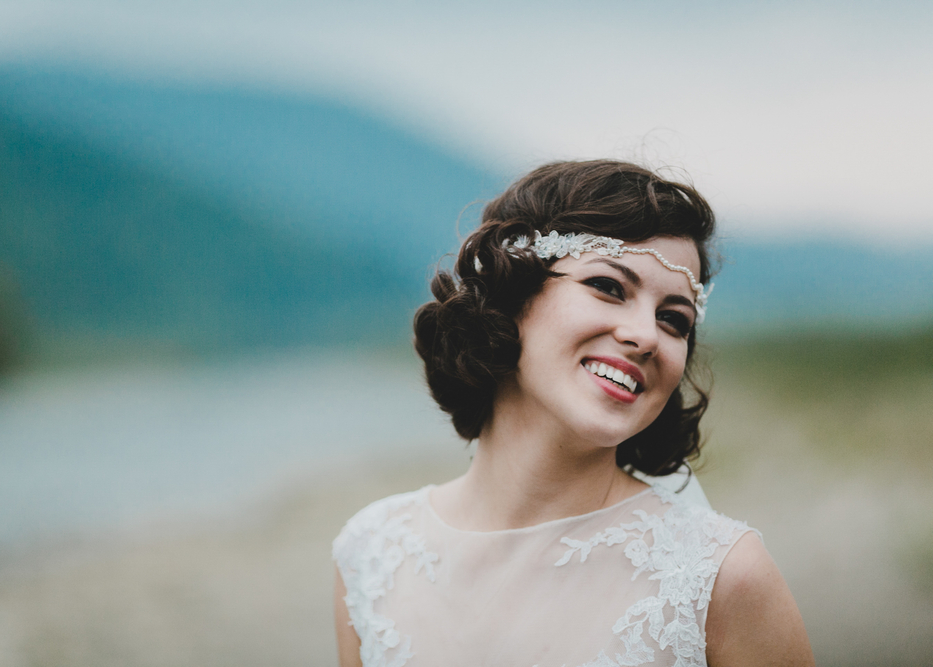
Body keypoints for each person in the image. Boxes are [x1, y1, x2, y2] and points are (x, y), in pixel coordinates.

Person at [332, 161, 814, 667]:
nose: (646, 336)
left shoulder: (721, 578)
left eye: (673, 320)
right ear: (511, 295)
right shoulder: (370, 554)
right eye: (609, 287)